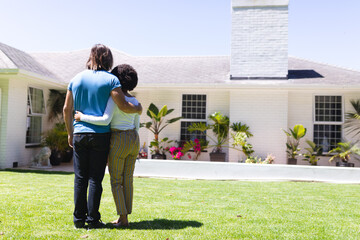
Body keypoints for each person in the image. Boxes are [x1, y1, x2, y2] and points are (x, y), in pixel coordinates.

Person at [63, 44, 142, 229]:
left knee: (80, 178)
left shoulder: (76, 78)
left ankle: (78, 220)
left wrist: (70, 132)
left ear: (91, 57)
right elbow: (123, 106)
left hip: (80, 134)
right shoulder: (111, 80)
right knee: (95, 178)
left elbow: (67, 109)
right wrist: (138, 108)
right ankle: (92, 220)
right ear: (109, 59)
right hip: (100, 135)